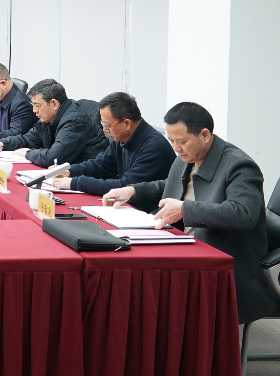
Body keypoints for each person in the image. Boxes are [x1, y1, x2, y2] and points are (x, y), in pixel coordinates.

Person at [102, 102, 280, 324]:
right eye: (171, 141)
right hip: (184, 248)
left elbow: (243, 214)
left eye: (182, 141)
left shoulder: (239, 166)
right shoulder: (186, 157)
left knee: (151, 292)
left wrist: (184, 209)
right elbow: (173, 185)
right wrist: (133, 191)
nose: (176, 148)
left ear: (204, 135)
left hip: (223, 264)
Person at [50, 92, 177, 202]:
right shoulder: (122, 137)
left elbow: (125, 187)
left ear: (126, 123)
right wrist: (70, 171)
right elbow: (100, 165)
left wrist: (75, 182)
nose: (105, 130)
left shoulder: (153, 147)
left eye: (108, 126)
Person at [0, 79, 107, 168]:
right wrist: (2, 143)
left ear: (54, 104)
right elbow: (28, 139)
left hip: (88, 176)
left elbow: (53, 158)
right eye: (33, 105)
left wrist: (27, 153)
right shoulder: (49, 117)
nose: (34, 110)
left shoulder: (74, 121)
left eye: (37, 105)